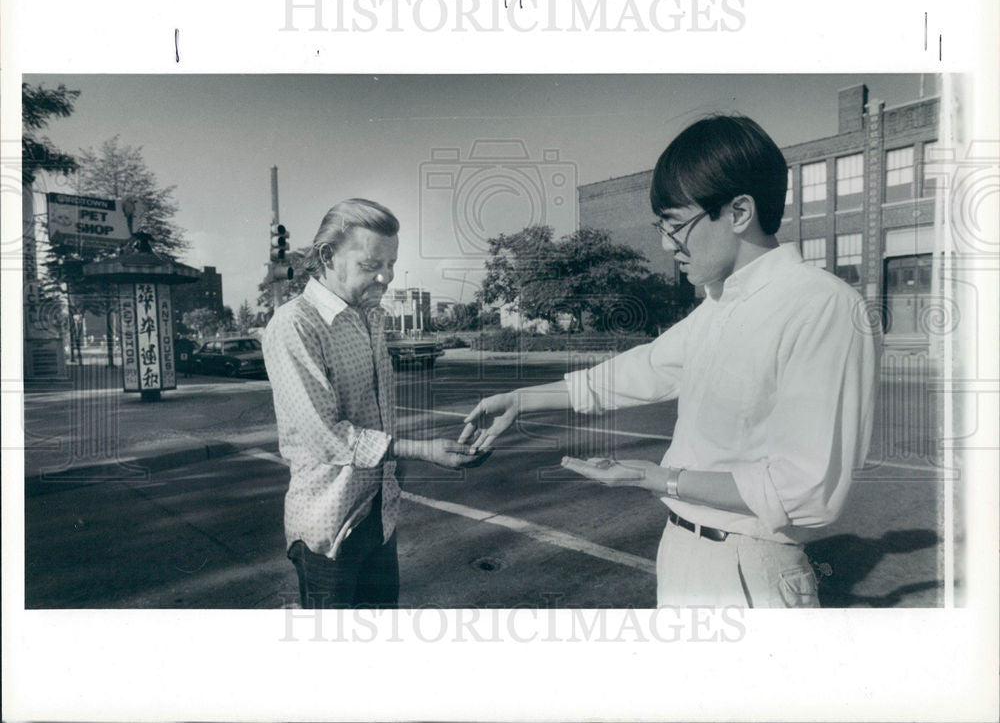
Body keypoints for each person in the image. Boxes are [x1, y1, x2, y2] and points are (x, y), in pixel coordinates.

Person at [459, 115, 878, 609]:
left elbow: (806, 493)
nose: (665, 244)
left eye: (676, 225)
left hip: (748, 572)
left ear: (739, 211)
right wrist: (521, 400)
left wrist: (653, 477)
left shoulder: (822, 306)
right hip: (682, 554)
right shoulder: (720, 307)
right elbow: (640, 370)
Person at [263, 198, 480, 609]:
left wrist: (396, 473)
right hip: (328, 525)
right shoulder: (295, 324)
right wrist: (421, 450)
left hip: (379, 515)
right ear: (327, 256)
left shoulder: (370, 316)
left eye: (392, 263)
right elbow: (326, 436)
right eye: (370, 264)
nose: (386, 277)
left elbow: (375, 411)